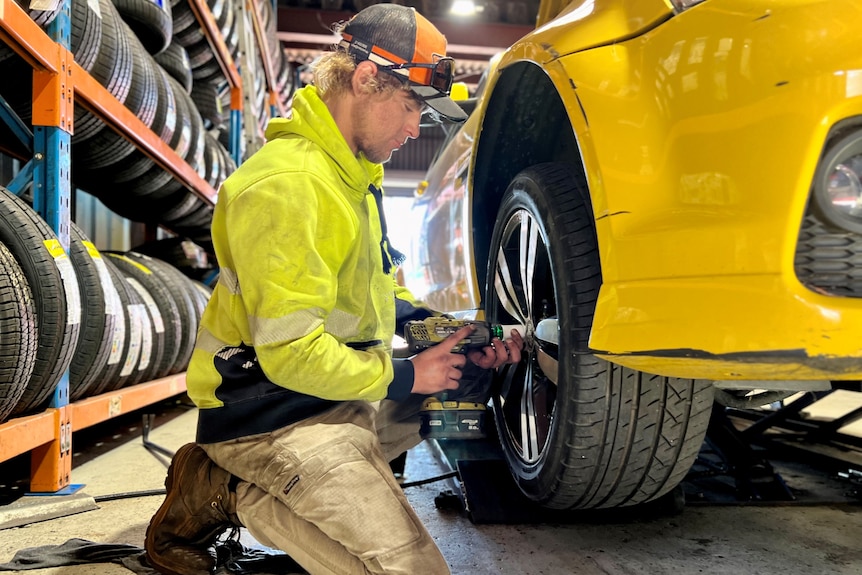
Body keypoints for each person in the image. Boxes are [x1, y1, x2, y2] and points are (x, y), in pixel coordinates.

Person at [144, 4, 524, 575]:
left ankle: (338, 476)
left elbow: (366, 303)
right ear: (367, 79)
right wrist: (407, 374)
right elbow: (292, 351)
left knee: (460, 380)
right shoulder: (289, 186)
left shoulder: (351, 176)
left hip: (329, 393)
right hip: (270, 416)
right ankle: (228, 486)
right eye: (412, 105)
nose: (416, 128)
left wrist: (449, 334)